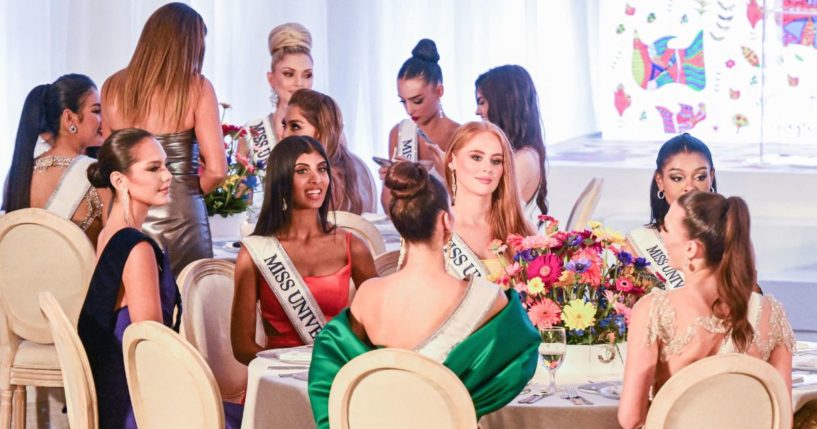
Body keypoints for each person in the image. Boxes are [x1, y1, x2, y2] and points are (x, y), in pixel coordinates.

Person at [308, 161, 540, 428]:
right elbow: (518, 364)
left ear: (399, 222)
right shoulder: (489, 300)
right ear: (445, 221)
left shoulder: (367, 296)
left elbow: (335, 367)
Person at [618, 191, 794, 429]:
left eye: (666, 229)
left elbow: (631, 419)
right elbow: (782, 415)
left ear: (692, 249)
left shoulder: (653, 310)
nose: (661, 236)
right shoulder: (772, 313)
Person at [101, 2, 227, 275]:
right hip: (182, 217)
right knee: (186, 307)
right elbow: (217, 170)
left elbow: (108, 167)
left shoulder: (111, 87)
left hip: (127, 215)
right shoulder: (198, 88)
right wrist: (181, 191)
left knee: (133, 306)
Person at [230, 136, 377, 364]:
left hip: (333, 375)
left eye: (322, 169)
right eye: (302, 171)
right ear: (282, 180)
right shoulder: (255, 253)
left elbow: (377, 325)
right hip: (278, 379)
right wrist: (291, 367)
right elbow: (241, 347)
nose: (316, 179)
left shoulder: (352, 247)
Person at [78, 128, 182, 429]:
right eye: (153, 168)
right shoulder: (136, 248)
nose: (167, 176)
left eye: (165, 166)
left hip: (115, 395)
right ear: (119, 180)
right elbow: (150, 345)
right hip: (137, 408)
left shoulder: (109, 234)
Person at [3, 74, 110, 246]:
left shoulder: (20, 173)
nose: (104, 119)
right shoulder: (95, 174)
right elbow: (115, 251)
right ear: (69, 118)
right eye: (96, 111)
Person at [443, 121, 535, 280]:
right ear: (452, 160)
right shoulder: (436, 230)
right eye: (476, 157)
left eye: (496, 161)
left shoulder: (520, 228)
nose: (487, 168)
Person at [626, 132, 716, 289]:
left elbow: (750, 302)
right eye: (677, 178)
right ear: (660, 181)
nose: (690, 187)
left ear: (711, 177)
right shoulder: (637, 244)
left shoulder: (728, 235)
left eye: (700, 177)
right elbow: (626, 308)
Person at [380, 38, 460, 213]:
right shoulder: (400, 132)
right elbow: (388, 206)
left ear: (439, 91)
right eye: (403, 101)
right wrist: (392, 182)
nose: (409, 110)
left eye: (417, 100)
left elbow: (467, 202)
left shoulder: (461, 136)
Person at [475, 64, 548, 227]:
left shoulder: (523, 159)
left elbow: (492, 217)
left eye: (482, 102)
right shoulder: (520, 154)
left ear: (503, 103)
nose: (477, 111)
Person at [283, 88, 376, 214]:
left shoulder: (316, 177)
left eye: (295, 126)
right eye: (285, 125)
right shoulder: (357, 164)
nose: (284, 134)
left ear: (320, 131)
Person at [243, 22, 314, 163]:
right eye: (289, 74)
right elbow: (241, 184)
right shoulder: (252, 132)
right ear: (271, 79)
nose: (299, 83)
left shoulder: (328, 127)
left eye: (307, 75)